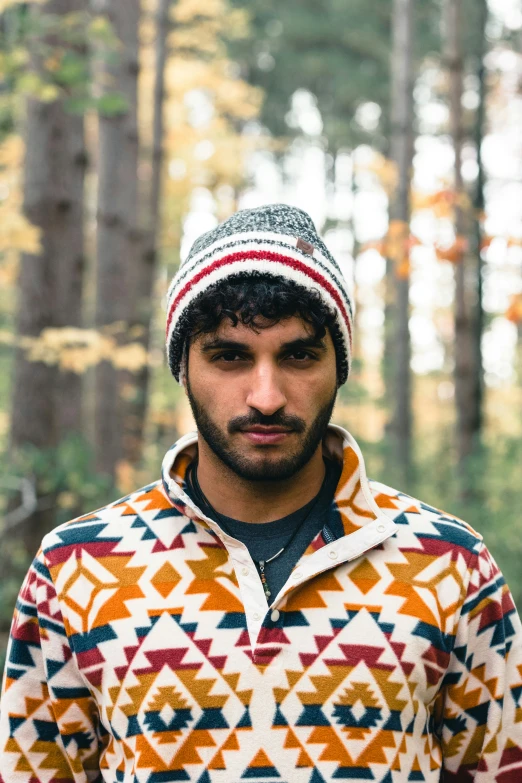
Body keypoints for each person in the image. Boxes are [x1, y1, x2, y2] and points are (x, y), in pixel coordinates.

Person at [1, 203, 521, 783]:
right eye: (229, 356)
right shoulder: (75, 565)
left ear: (338, 367)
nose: (266, 396)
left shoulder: (451, 562)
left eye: (299, 355)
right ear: (184, 368)